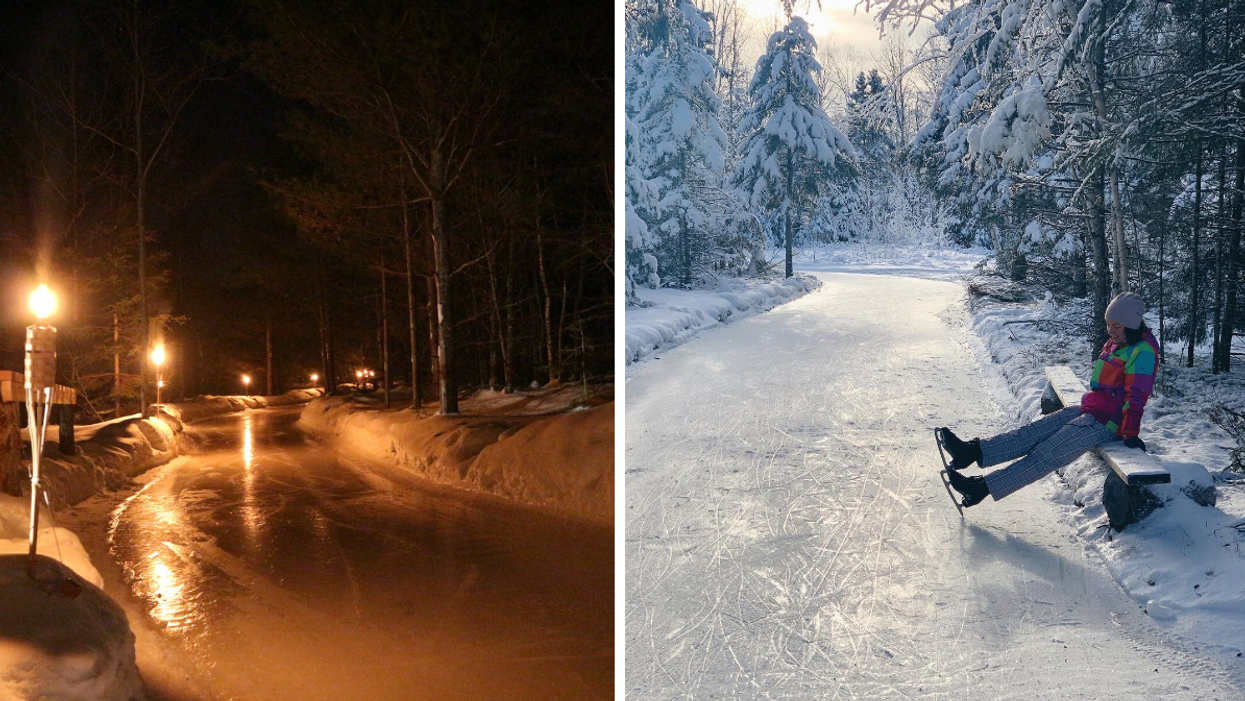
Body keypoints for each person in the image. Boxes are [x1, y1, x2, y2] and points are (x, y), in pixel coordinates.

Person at [939, 292, 1159, 508]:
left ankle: (981, 488)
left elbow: (1136, 397)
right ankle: (971, 452)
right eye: (1108, 324)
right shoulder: (1119, 343)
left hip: (1107, 423)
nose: (1110, 330)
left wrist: (1130, 433)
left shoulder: (1143, 353)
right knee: (1031, 433)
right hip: (1092, 410)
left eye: (1116, 326)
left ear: (1131, 325)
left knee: (1045, 455)